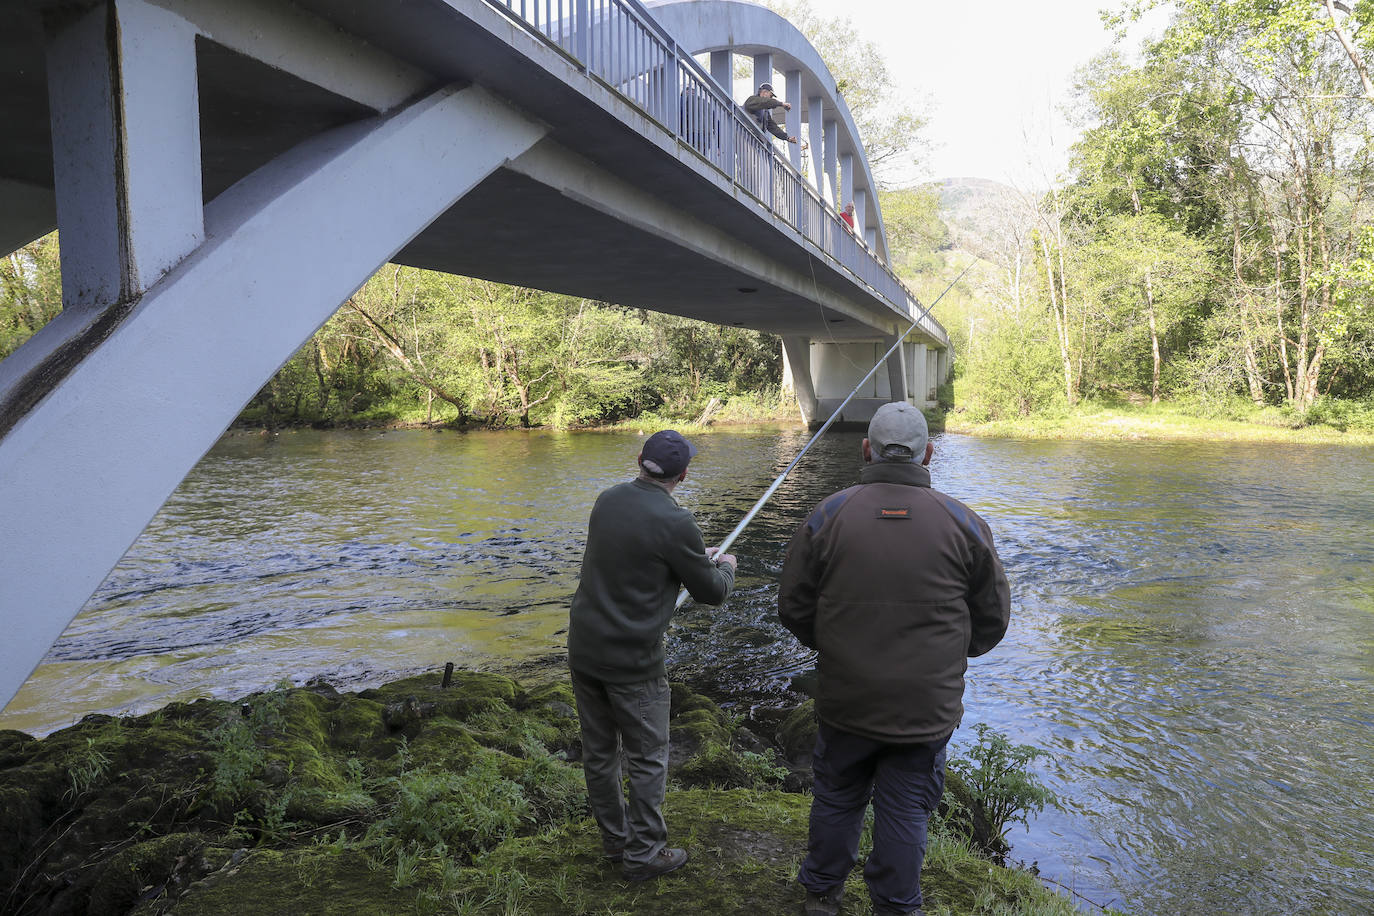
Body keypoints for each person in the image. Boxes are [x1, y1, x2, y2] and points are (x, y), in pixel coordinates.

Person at [777, 402, 1011, 916]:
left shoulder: (828, 514)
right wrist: (950, 654)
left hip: (846, 699)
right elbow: (992, 620)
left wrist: (837, 646)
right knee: (906, 807)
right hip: (925, 707)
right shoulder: (965, 523)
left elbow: (792, 606)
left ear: (866, 450)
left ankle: (821, 895)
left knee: (838, 795)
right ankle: (897, 907)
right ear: (928, 453)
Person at [567, 430, 738, 882]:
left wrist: (691, 559)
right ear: (684, 474)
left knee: (600, 753)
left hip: (584, 650)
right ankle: (644, 855)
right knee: (646, 757)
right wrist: (724, 567)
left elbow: (635, 555)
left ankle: (615, 842)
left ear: (640, 459)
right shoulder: (676, 521)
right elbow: (712, 593)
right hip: (632, 664)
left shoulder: (608, 500)